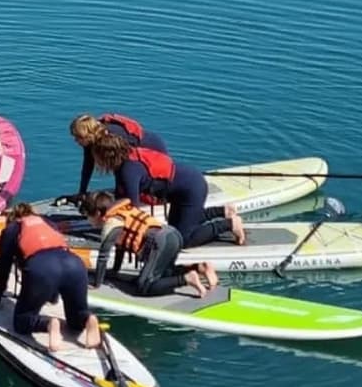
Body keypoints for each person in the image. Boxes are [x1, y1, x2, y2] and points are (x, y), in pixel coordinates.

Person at [85, 133, 246, 248]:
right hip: (181, 188)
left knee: (182, 240)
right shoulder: (124, 161)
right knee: (176, 227)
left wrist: (108, 214)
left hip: (190, 189)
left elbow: (132, 206)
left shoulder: (128, 170)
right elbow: (122, 195)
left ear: (106, 156)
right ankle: (223, 211)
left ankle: (230, 224)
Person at [0, 202, 104, 352]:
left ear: (13, 218)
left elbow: (3, 271)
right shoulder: (48, 223)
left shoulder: (12, 229)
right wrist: (51, 298)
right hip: (75, 264)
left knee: (21, 323)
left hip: (42, 269)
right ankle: (88, 319)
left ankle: (48, 324)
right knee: (75, 321)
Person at [80, 191, 219, 298]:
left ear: (98, 213)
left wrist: (97, 284)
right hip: (172, 233)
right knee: (165, 273)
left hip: (159, 241)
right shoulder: (122, 211)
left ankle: (187, 279)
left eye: (88, 216)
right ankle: (200, 267)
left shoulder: (110, 225)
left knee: (144, 287)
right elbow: (120, 247)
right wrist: (115, 271)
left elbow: (103, 257)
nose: (88, 221)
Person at [68, 113, 168, 201]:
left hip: (152, 150)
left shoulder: (113, 137)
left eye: (78, 137)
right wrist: (82, 192)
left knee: (128, 183)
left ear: (87, 135)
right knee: (122, 188)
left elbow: (122, 165)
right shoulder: (90, 141)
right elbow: (88, 166)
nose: (76, 141)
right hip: (131, 157)